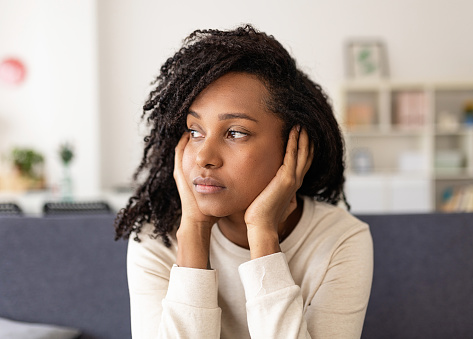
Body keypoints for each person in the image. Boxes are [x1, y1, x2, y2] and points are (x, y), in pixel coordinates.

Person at [115, 25, 373, 339]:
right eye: (195, 131)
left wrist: (264, 236)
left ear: (295, 146)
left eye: (235, 132)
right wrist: (194, 234)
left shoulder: (340, 240)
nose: (204, 157)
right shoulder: (155, 238)